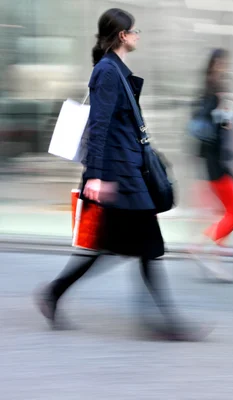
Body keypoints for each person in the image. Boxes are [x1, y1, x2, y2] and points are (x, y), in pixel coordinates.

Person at [35, 8, 203, 341]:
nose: (138, 35)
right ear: (122, 35)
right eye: (134, 30)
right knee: (148, 248)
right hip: (118, 178)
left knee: (117, 248)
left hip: (125, 174)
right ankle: (164, 322)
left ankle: (54, 293)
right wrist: (96, 177)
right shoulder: (107, 72)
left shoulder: (115, 70)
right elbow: (99, 128)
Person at [189, 48, 233, 282]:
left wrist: (225, 121)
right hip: (215, 161)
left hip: (217, 159)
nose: (224, 68)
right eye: (221, 64)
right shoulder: (211, 93)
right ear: (213, 65)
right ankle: (203, 247)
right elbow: (207, 126)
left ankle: (216, 260)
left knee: (227, 212)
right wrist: (221, 115)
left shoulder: (212, 91)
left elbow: (216, 126)